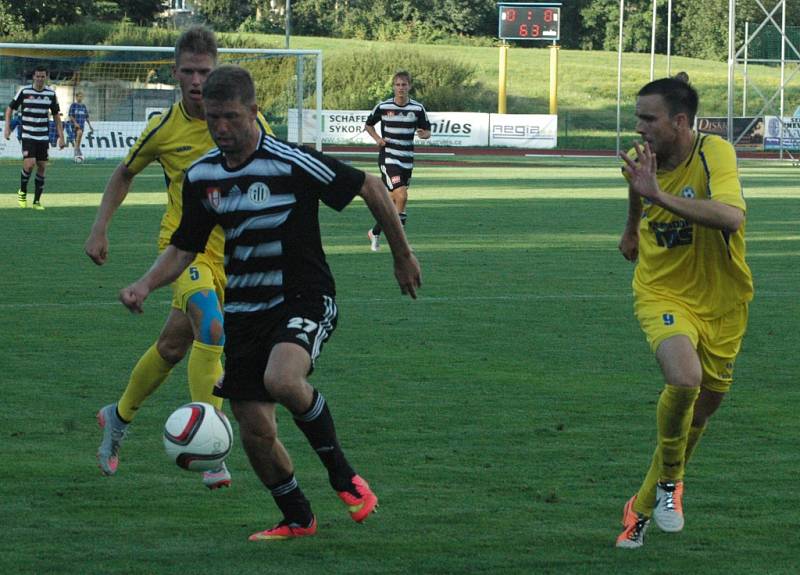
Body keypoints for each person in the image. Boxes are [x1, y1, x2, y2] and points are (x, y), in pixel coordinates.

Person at [119, 64, 421, 541]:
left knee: (281, 378)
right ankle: (297, 518)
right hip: (246, 310)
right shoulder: (203, 177)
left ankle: (345, 478)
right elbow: (184, 247)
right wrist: (143, 285)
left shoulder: (291, 161)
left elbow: (368, 185)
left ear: (254, 113)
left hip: (304, 296)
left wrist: (402, 254)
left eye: (232, 117)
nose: (221, 128)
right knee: (254, 425)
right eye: (214, 118)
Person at [84, 26, 272, 489]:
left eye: (204, 71)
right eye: (187, 71)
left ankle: (118, 415)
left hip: (234, 258)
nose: (195, 80)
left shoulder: (250, 122)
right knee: (211, 326)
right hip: (181, 248)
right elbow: (124, 172)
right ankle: (213, 448)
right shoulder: (164, 128)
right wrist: (100, 226)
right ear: (174, 73)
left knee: (172, 347)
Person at [615, 74, 753, 548]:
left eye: (648, 119)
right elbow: (638, 187)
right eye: (637, 118)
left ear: (679, 122)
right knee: (684, 379)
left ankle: (644, 502)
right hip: (661, 291)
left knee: (701, 413)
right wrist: (633, 227)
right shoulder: (644, 163)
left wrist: (656, 196)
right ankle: (673, 485)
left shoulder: (713, 153)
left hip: (723, 301)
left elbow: (732, 217)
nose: (639, 128)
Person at [364, 70, 431, 251]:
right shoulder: (384, 106)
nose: (401, 88)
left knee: (393, 202)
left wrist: (424, 134)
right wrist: (378, 139)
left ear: (409, 86)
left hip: (407, 159)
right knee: (401, 194)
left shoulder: (417, 108)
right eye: (397, 85)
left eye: (404, 85)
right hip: (389, 157)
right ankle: (400, 243)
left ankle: (375, 231)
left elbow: (427, 130)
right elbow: (368, 125)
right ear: (393, 87)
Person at [4, 65, 65, 210]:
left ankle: (36, 201)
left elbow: (56, 116)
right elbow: (9, 109)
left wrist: (61, 137)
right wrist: (7, 128)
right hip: (28, 134)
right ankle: (22, 192)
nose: (40, 79)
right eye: (37, 76)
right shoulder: (24, 91)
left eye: (42, 76)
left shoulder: (51, 94)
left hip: (43, 135)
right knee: (30, 164)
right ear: (33, 77)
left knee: (42, 166)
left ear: (46, 77)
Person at [68, 92, 93, 161]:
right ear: (76, 97)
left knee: (78, 138)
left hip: (82, 125)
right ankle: (76, 151)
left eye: (81, 96)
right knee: (79, 133)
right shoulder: (73, 105)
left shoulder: (83, 106)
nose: (80, 98)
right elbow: (70, 115)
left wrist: (90, 126)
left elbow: (86, 117)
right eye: (79, 96)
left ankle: (77, 152)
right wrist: (75, 123)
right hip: (75, 125)